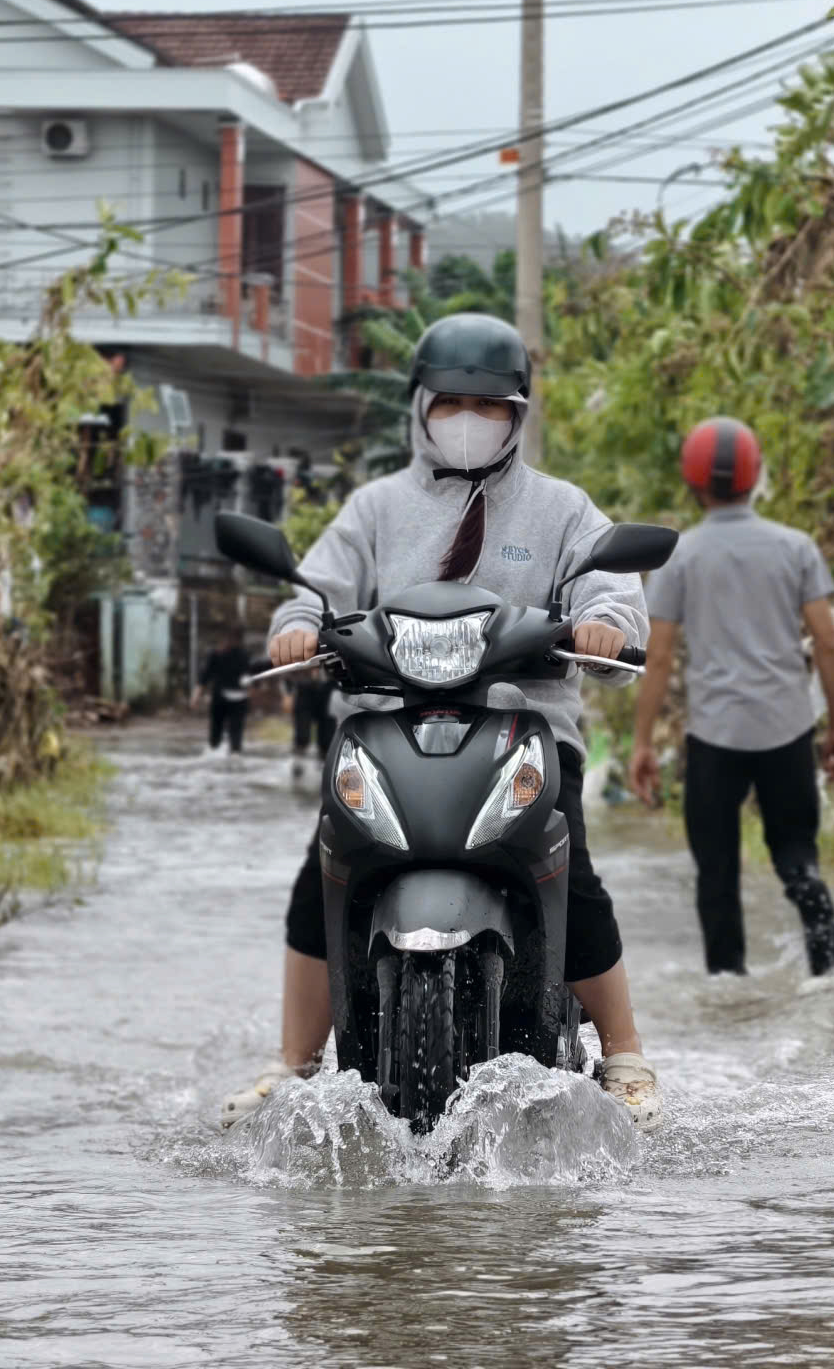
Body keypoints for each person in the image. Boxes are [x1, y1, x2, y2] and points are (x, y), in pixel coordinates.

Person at [220, 313, 664, 1130]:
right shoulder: (376, 508)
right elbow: (314, 586)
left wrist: (607, 626)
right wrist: (296, 622)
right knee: (322, 876)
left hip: (521, 724)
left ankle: (626, 1056)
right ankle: (292, 1065)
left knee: (571, 862)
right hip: (386, 724)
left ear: (518, 414)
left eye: (490, 406)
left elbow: (611, 588)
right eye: (452, 403)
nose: (470, 420)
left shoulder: (562, 510)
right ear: (420, 407)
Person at [628, 416, 834, 977]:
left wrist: (642, 744)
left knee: (717, 874)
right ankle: (831, 969)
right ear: (756, 478)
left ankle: (729, 993)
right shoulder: (795, 547)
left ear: (692, 482)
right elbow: (827, 641)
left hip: (714, 737)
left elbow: (658, 656)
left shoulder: (681, 556)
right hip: (788, 729)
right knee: (797, 857)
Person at [194, 635, 255, 755]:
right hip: (228, 698)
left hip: (231, 697)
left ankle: (223, 750)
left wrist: (196, 696)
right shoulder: (236, 654)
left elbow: (205, 676)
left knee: (226, 729)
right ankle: (228, 752)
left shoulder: (240, 655)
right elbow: (205, 676)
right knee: (231, 729)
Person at [288, 673, 337, 779]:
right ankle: (298, 762)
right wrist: (288, 692)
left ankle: (325, 766)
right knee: (302, 732)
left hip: (328, 689)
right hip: (305, 689)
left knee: (327, 734)